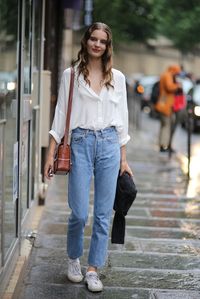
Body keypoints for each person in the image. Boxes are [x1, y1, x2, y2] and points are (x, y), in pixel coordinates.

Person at [44, 22, 132, 293]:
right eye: (93, 39)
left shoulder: (117, 78)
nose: (97, 44)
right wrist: (50, 152)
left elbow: (123, 121)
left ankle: (93, 269)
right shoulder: (71, 75)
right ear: (86, 41)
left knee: (104, 213)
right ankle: (74, 259)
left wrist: (124, 158)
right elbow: (60, 115)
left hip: (108, 145)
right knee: (80, 212)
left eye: (102, 41)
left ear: (107, 46)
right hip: (79, 142)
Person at [156, 64, 182, 153]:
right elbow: (169, 87)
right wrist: (177, 86)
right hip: (165, 105)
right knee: (166, 126)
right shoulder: (167, 75)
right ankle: (163, 145)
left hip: (165, 103)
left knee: (165, 125)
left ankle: (163, 144)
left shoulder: (166, 74)